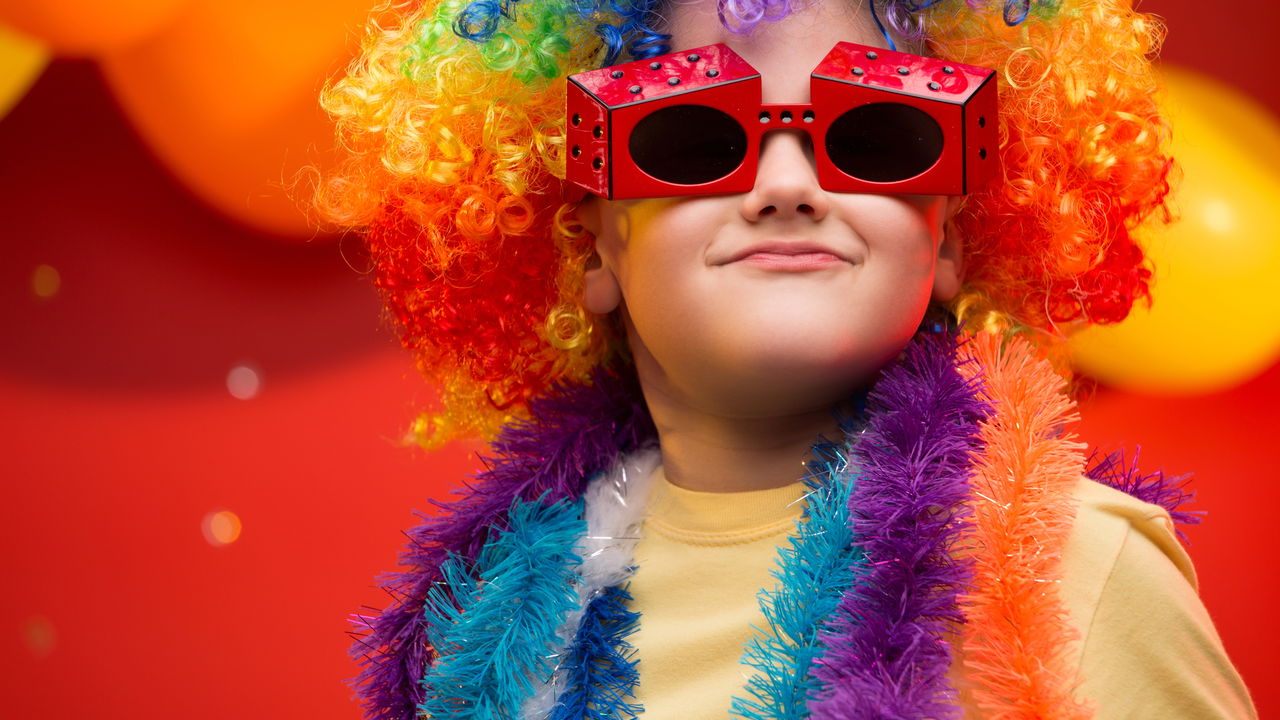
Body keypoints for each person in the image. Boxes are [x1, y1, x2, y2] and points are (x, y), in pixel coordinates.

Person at [318, 0, 1258, 717]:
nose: (785, 185)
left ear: (949, 243)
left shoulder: (1069, 573)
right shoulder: (487, 629)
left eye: (877, 135)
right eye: (689, 138)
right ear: (590, 242)